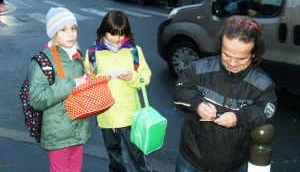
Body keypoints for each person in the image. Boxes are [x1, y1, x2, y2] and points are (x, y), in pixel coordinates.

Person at [174, 15, 277, 172]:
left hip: (233, 165)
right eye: (227, 55)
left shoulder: (263, 85)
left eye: (241, 58)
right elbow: (180, 91)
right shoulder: (198, 69)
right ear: (220, 47)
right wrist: (197, 104)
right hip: (191, 159)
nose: (233, 63)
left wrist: (238, 117)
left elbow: (266, 111)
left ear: (254, 54)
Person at [85, 10, 152, 172]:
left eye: (121, 34)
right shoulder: (93, 54)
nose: (117, 39)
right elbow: (87, 81)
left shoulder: (134, 51)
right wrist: (100, 79)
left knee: (136, 152)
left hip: (131, 113)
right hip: (106, 112)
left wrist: (132, 77)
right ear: (103, 31)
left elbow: (146, 76)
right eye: (112, 34)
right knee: (113, 151)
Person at [29, 7, 91, 172]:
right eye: (63, 29)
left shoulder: (77, 55)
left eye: (73, 28)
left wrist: (87, 81)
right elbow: (37, 99)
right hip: (57, 134)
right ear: (53, 32)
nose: (71, 34)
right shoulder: (42, 61)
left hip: (78, 130)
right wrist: (72, 84)